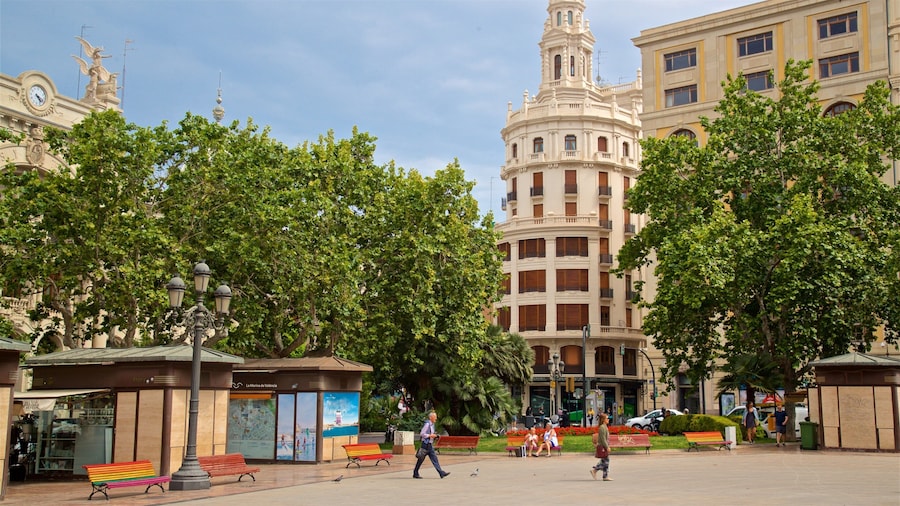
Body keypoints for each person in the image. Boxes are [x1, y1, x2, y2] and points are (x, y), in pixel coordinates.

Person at [413, 411, 450, 479]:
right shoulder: (427, 424)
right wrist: (430, 435)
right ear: (431, 417)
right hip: (425, 445)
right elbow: (422, 434)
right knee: (420, 459)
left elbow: (431, 434)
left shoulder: (432, 424)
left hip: (429, 445)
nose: (436, 418)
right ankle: (415, 473)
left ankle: (441, 473)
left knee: (434, 459)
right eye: (434, 417)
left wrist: (435, 436)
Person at [590, 413, 612, 481]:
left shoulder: (604, 427)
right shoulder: (602, 427)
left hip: (604, 445)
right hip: (602, 446)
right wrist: (607, 447)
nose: (608, 419)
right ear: (603, 420)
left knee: (604, 461)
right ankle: (595, 470)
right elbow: (603, 439)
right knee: (606, 461)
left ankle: (604, 476)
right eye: (607, 418)